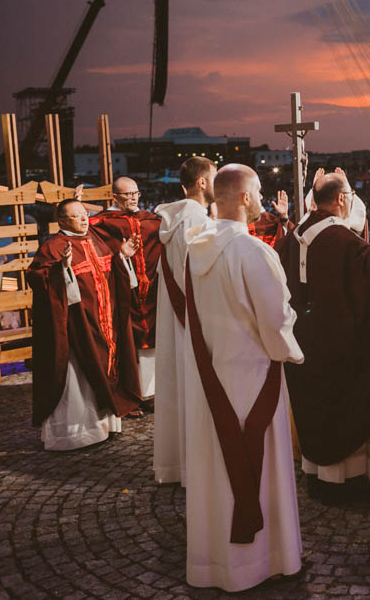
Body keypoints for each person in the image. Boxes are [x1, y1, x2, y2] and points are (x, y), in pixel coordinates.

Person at [181, 164, 305, 591]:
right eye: (258, 192)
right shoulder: (253, 252)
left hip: (210, 379)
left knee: (214, 466)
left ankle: (215, 562)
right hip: (253, 376)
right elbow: (277, 319)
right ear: (244, 197)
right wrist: (289, 351)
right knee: (261, 463)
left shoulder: (194, 249)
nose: (261, 199)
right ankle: (265, 559)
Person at [276, 170, 370, 497]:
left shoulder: (295, 232)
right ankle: (344, 480)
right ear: (342, 199)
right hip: (338, 343)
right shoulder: (339, 239)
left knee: (314, 405)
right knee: (341, 404)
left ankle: (315, 471)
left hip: (303, 340)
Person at [28, 199, 143, 451]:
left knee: (106, 368)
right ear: (61, 221)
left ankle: (105, 425)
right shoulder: (53, 247)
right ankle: (74, 435)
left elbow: (112, 271)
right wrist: (62, 270)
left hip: (104, 322)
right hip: (76, 327)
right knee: (77, 378)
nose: (84, 219)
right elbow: (39, 279)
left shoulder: (96, 241)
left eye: (84, 215)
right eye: (76, 216)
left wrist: (123, 257)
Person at [152, 156, 216, 485]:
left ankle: (177, 463)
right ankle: (198, 465)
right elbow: (205, 275)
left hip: (176, 317)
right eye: (214, 176)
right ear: (202, 182)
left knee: (176, 386)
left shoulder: (174, 219)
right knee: (194, 388)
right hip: (194, 317)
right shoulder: (197, 221)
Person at [84, 177, 162, 407]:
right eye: (127, 194)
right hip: (121, 290)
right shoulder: (101, 224)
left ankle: (151, 391)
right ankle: (129, 390)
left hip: (151, 291)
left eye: (135, 193)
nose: (132, 198)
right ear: (115, 197)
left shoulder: (152, 220)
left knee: (152, 339)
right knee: (125, 338)